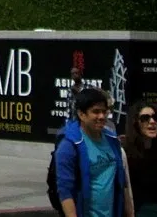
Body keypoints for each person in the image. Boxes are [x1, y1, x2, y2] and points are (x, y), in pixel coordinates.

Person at [54, 85, 133, 217]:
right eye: (95, 112)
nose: (101, 116)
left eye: (104, 111)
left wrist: (130, 213)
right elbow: (65, 191)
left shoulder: (112, 140)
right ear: (81, 114)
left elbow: (122, 183)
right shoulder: (69, 146)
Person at [122, 102, 157, 217]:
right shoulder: (125, 154)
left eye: (155, 117)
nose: (152, 122)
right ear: (135, 123)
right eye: (145, 118)